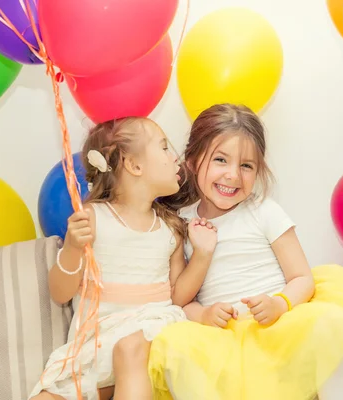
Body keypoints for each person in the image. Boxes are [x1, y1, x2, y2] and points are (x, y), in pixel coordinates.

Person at [149, 104, 343, 400]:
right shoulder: (182, 223)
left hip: (280, 324)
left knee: (333, 324)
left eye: (246, 166)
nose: (232, 175)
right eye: (220, 160)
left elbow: (302, 277)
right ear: (192, 161)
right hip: (224, 337)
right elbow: (180, 299)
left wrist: (280, 304)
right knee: (174, 346)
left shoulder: (264, 212)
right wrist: (203, 314)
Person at [29, 117, 218, 400]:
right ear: (134, 165)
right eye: (164, 147)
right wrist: (71, 248)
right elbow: (60, 292)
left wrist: (202, 256)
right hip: (98, 346)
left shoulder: (169, 229)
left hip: (149, 336)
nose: (174, 156)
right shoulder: (93, 218)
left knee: (129, 350)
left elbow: (178, 296)